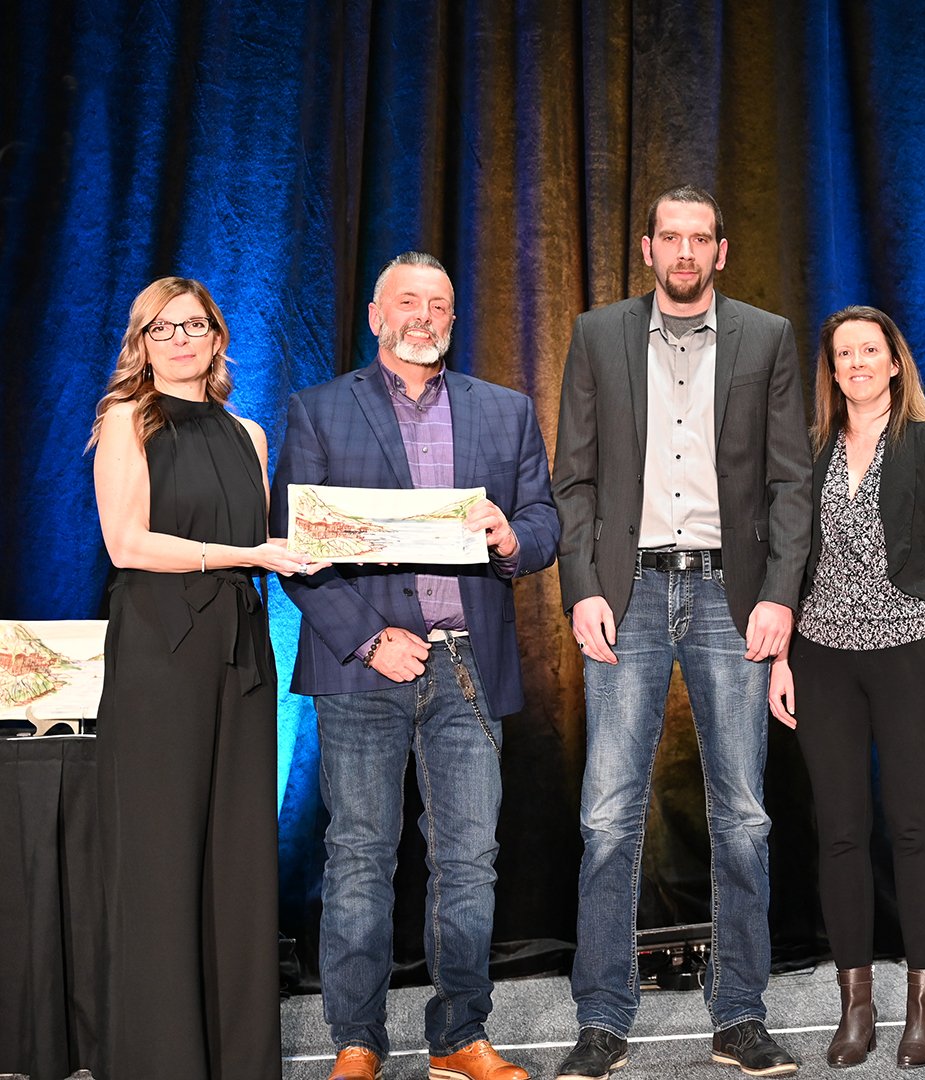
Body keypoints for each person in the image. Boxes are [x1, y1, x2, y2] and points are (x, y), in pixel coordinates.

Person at [271, 252, 559, 1080]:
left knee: (468, 857)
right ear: (376, 315)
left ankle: (458, 1037)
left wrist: (515, 538)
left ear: (452, 318)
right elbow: (299, 551)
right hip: (365, 669)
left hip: (468, 665)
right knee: (360, 853)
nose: (424, 315)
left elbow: (544, 520)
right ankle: (356, 1042)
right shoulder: (320, 411)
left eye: (438, 303)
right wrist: (369, 637)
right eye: (408, 301)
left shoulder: (504, 412)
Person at [551, 185, 812, 1080]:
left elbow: (788, 484)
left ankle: (739, 1013)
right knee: (607, 815)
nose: (687, 252)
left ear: (723, 252)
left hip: (727, 597)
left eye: (702, 238)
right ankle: (602, 1017)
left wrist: (780, 594)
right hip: (625, 592)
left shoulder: (767, 338)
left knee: (742, 815)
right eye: (673, 237)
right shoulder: (597, 335)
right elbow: (573, 480)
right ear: (649, 246)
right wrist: (582, 586)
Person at [90, 277, 318, 1080]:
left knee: (238, 856)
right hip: (162, 649)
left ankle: (239, 1059)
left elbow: (275, 541)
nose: (181, 338)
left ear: (218, 338)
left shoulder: (247, 434)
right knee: (162, 854)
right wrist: (246, 557)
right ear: (142, 343)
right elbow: (127, 544)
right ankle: (162, 1060)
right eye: (163, 327)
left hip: (241, 651)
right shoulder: (128, 421)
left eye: (194, 324)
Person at [766, 306, 925, 1069]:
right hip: (822, 657)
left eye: (869, 351)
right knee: (841, 830)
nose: (855, 362)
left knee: (913, 824)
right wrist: (781, 657)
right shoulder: (813, 447)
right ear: (832, 369)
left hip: (913, 651)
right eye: (842, 352)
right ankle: (857, 1005)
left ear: (894, 363)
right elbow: (787, 560)